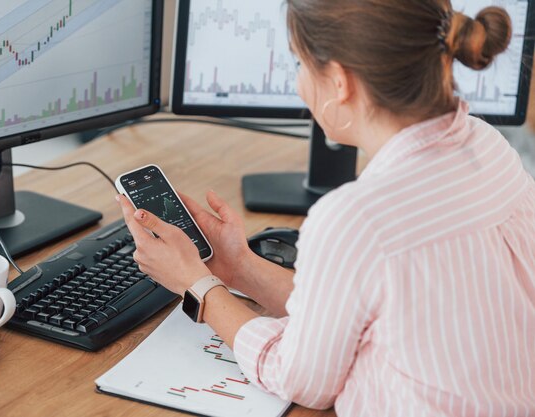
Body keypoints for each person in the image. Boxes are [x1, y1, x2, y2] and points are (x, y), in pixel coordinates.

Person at [117, 0, 535, 415]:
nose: (299, 82)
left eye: (299, 64)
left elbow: (303, 380)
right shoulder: (486, 145)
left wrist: (197, 285)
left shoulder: (357, 217)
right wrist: (239, 264)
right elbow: (345, 308)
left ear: (339, 81)